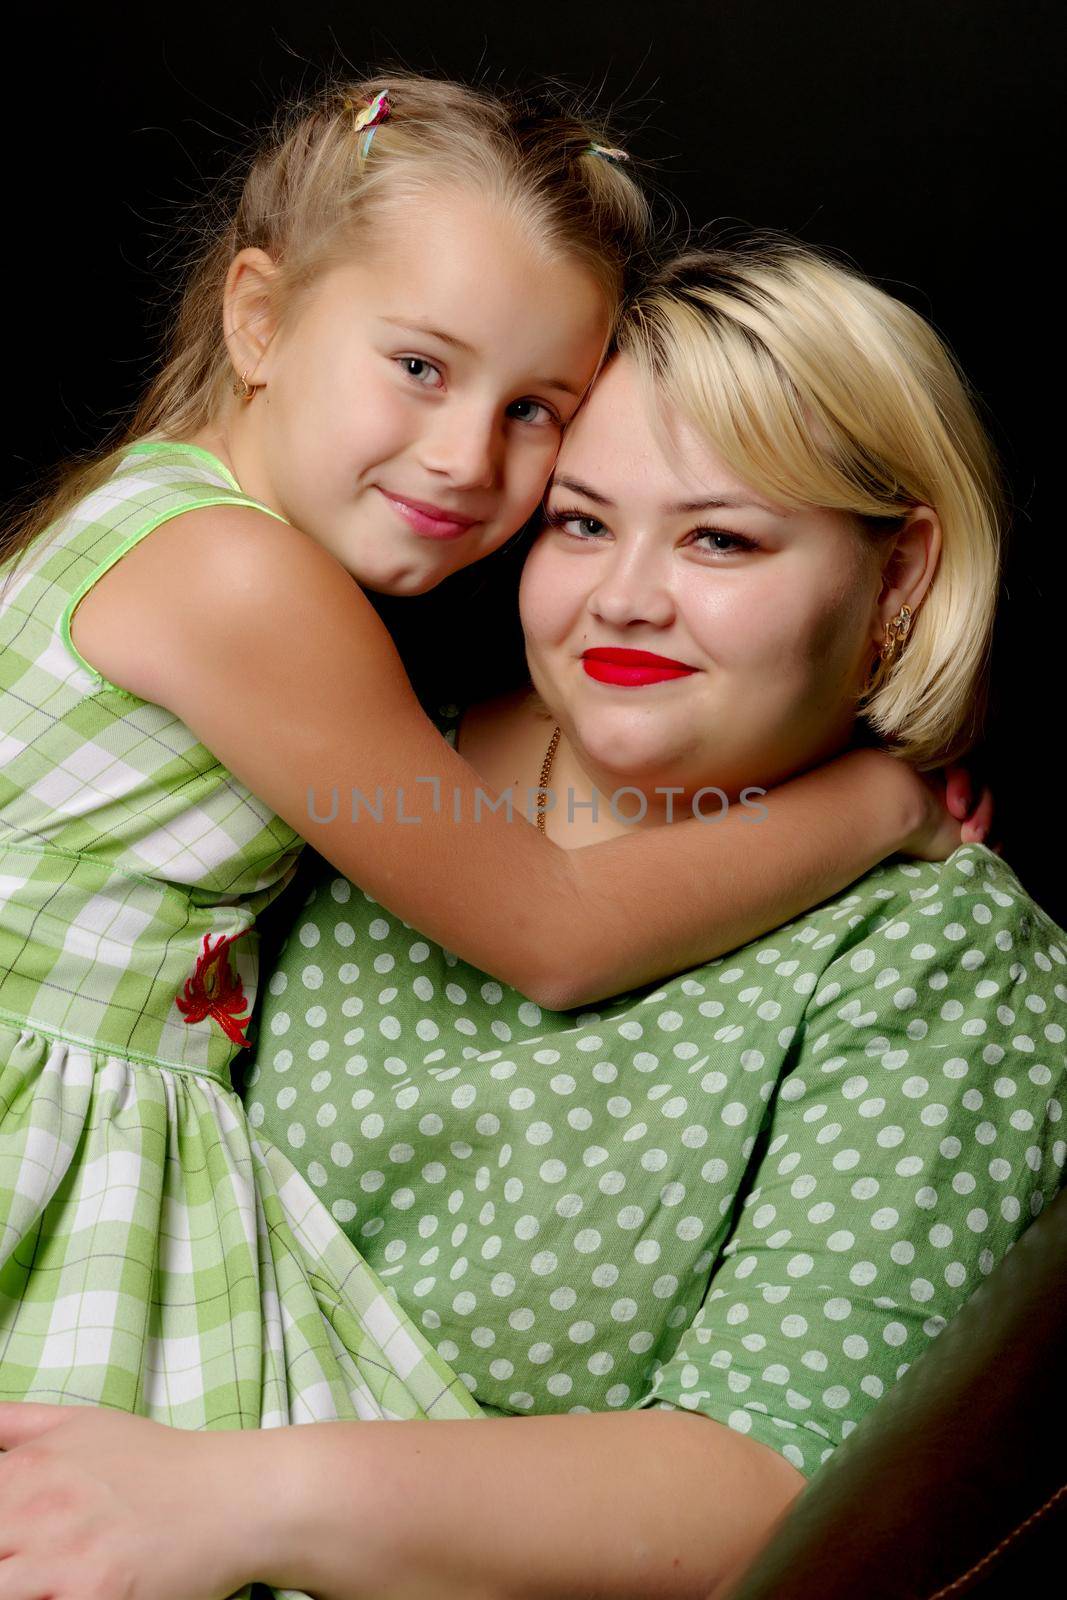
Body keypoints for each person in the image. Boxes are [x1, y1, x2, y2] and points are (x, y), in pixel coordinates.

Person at [0, 240, 1042, 1600]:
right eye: (581, 523)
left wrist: (232, 1497)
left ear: (900, 580)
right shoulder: (365, 766)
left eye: (720, 537)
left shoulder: (935, 956)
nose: (627, 598)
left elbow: (774, 1490)